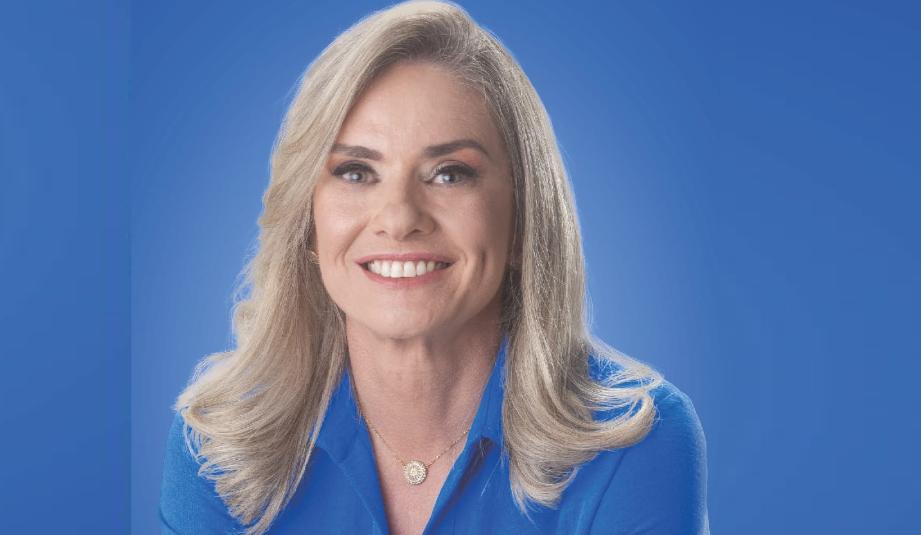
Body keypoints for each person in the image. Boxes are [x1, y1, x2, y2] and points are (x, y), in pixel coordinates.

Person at [159, 1, 708, 534]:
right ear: (307, 220)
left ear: (523, 218)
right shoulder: (219, 448)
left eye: (449, 173)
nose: (399, 219)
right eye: (356, 172)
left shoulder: (633, 442)